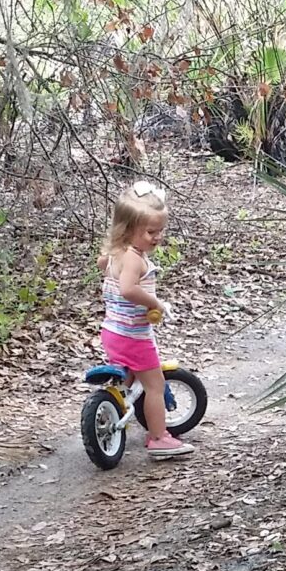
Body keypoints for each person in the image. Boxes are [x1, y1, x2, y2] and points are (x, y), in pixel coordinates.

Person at [99, 181, 193, 459]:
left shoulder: (117, 253)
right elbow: (128, 289)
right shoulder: (135, 260)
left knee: (128, 376)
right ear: (128, 230)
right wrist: (156, 303)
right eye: (151, 232)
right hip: (133, 336)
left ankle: (116, 406)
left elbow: (102, 265)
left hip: (113, 331)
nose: (158, 237)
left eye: (161, 230)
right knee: (155, 385)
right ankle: (159, 438)